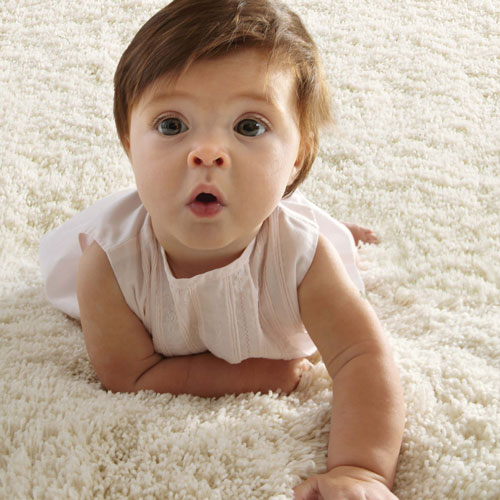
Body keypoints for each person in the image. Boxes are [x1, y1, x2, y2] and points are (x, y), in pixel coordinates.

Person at [40, 1, 405, 498]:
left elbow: (361, 356)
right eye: (172, 125)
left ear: (297, 152)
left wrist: (361, 469)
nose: (208, 151)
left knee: (294, 220)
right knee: (247, 197)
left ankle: (317, 214)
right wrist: (254, 374)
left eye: (249, 126)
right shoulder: (106, 262)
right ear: (128, 140)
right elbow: (131, 374)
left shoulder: (303, 258)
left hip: (280, 225)